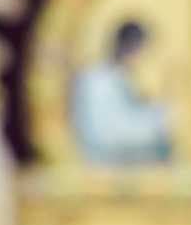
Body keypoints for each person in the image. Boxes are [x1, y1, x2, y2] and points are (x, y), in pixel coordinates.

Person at [69, 19, 173, 164]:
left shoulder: (116, 79)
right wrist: (157, 116)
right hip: (104, 164)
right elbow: (108, 134)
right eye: (142, 51)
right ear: (131, 47)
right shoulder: (96, 80)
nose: (142, 60)